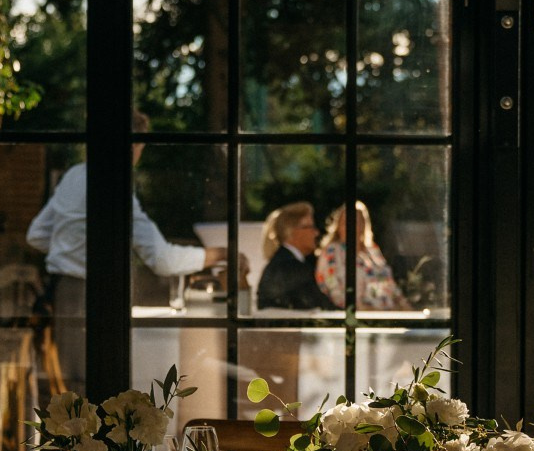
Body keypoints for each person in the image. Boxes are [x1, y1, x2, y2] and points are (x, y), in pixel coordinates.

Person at [26, 112, 230, 390]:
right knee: (87, 388)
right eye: (140, 147)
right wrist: (219, 254)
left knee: (68, 386)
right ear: (131, 145)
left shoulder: (75, 175)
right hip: (88, 295)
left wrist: (69, 249)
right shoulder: (114, 186)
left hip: (61, 291)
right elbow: (162, 259)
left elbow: (36, 235)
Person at [315, 201, 410, 310]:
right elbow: (332, 288)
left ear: (364, 224)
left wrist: (404, 305)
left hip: (386, 314)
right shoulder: (331, 252)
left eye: (356, 221)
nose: (350, 226)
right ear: (338, 226)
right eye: (346, 222)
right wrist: (360, 309)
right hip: (355, 316)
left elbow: (388, 283)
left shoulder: (372, 251)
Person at [257, 202, 334, 311]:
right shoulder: (290, 267)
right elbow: (322, 306)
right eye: (310, 227)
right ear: (292, 231)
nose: (316, 233)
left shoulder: (282, 262)